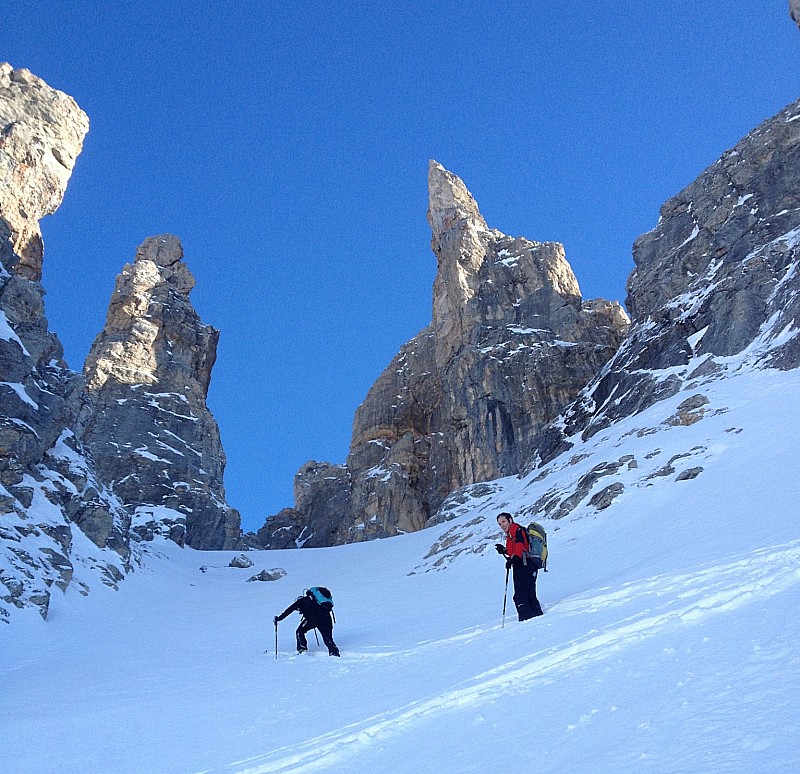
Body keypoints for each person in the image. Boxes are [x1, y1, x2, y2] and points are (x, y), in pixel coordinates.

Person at [495, 512, 544, 621]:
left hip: (524, 566)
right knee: (529, 594)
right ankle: (538, 616)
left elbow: (520, 547)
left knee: (520, 596)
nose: (502, 525)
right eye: (499, 524)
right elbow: (514, 550)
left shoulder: (516, 530)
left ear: (510, 520)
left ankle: (526, 620)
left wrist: (513, 560)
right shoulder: (511, 534)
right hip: (529, 565)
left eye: (503, 522)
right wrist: (504, 551)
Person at [274, 589, 340, 656]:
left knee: (299, 631)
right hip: (327, 617)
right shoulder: (316, 602)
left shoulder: (300, 601)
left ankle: (302, 648)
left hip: (313, 618)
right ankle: (334, 652)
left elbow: (289, 610)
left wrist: (279, 618)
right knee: (327, 637)